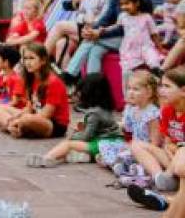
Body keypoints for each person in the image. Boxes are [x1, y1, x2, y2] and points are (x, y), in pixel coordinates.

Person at [26, 73, 121, 167]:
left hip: (102, 144)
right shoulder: (105, 108)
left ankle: (47, 158)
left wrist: (73, 136)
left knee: (68, 145)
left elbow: (86, 136)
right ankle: (80, 156)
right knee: (72, 147)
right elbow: (99, 128)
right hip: (113, 142)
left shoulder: (94, 113)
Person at [58, 0, 122, 82]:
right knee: (63, 43)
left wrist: (94, 29)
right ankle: (84, 88)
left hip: (107, 32)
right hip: (91, 29)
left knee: (61, 27)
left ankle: (66, 73)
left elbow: (106, 18)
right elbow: (82, 13)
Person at [126, 68, 185, 208]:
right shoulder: (167, 110)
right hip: (173, 157)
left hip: (180, 159)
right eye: (161, 86)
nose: (161, 90)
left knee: (182, 152)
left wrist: (178, 149)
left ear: (183, 91)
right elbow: (168, 141)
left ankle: (168, 198)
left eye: (167, 86)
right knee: (136, 145)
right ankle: (160, 177)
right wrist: (170, 147)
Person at [103, 70, 160, 183]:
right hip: (133, 146)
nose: (130, 93)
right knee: (106, 145)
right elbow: (127, 130)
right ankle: (125, 166)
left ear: (149, 92)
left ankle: (130, 169)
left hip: (145, 150)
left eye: (136, 89)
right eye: (129, 88)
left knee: (128, 157)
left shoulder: (152, 114)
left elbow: (155, 143)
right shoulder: (131, 109)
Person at [5, 42, 71, 139]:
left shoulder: (53, 82)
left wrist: (19, 120)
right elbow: (29, 107)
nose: (27, 62)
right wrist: (16, 117)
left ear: (43, 60)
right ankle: (15, 127)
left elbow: (46, 114)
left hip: (52, 123)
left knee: (26, 119)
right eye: (25, 58)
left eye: (31, 58)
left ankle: (12, 127)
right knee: (0, 108)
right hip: (35, 116)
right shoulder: (30, 79)